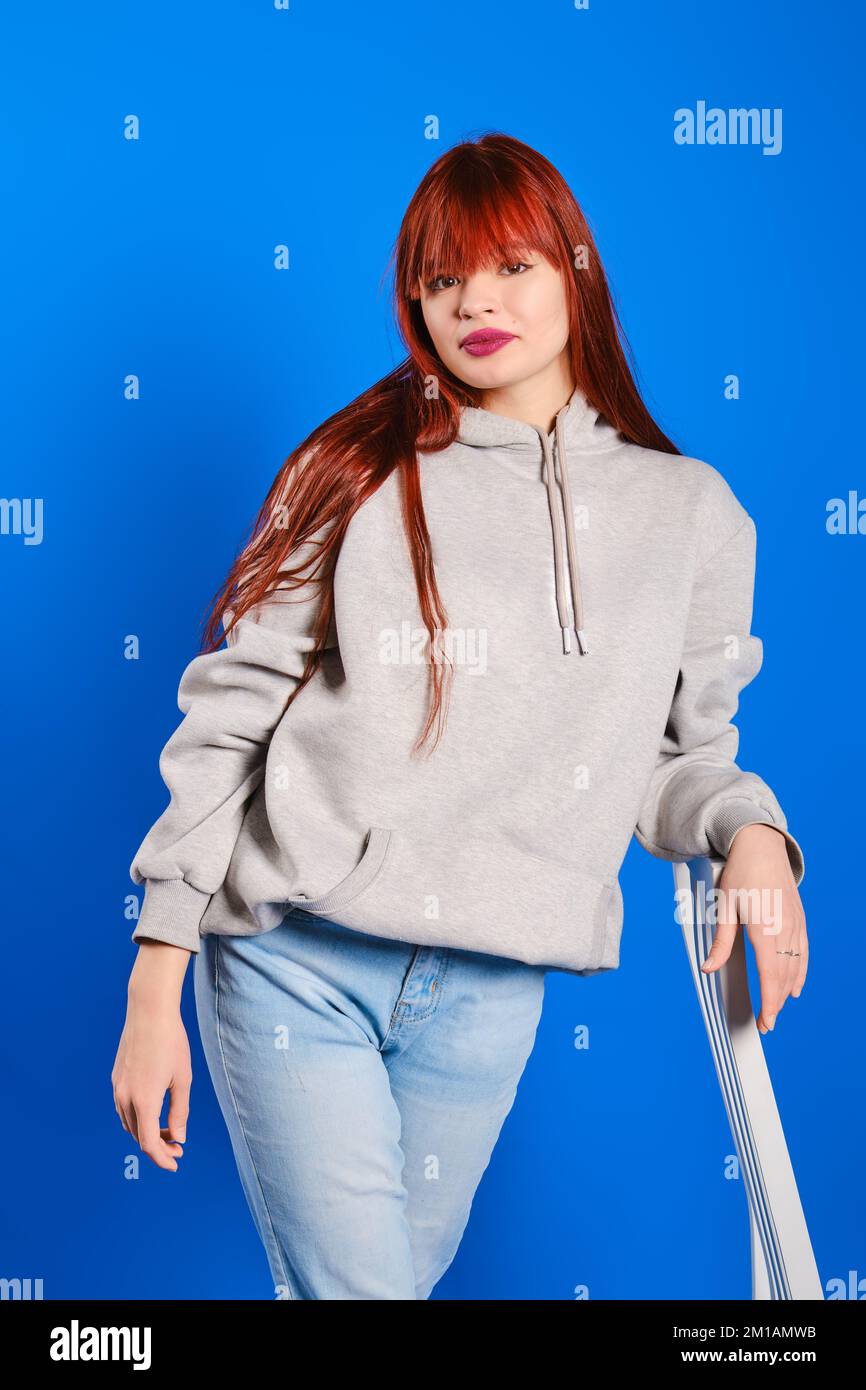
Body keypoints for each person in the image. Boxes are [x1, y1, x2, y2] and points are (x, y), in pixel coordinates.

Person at [111, 131, 808, 1300]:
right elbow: (232, 711)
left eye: (509, 267)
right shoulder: (356, 471)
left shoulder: (689, 515)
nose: (472, 302)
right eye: (440, 280)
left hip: (491, 991)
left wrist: (749, 833)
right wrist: (153, 977)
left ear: (574, 272)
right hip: (296, 957)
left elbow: (674, 757)